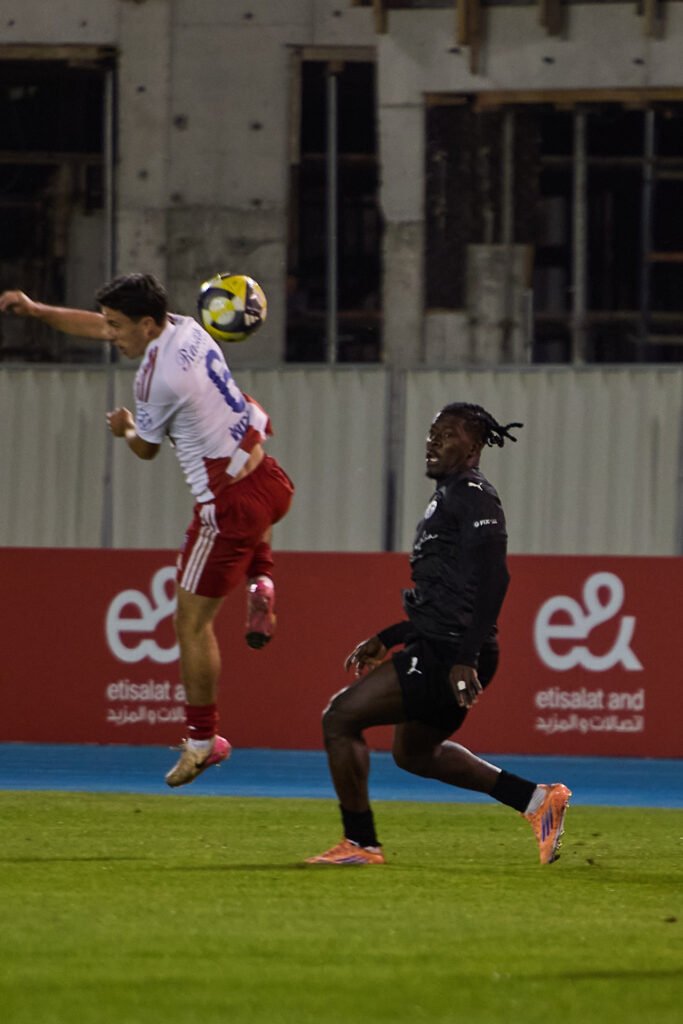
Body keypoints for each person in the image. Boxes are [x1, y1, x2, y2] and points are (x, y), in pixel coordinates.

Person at [0, 274, 294, 788]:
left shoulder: (156, 381)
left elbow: (147, 450)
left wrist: (126, 427)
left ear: (148, 324)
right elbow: (98, 326)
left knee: (190, 625)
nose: (111, 335)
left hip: (227, 509)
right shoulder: (190, 328)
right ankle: (261, 579)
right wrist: (38, 310)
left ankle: (203, 742)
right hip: (270, 479)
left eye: (118, 326)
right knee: (247, 525)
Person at [306, 402, 571, 867]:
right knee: (414, 754)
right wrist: (390, 635)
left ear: (472, 449)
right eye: (432, 433)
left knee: (339, 718)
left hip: (450, 652)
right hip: (444, 644)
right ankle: (535, 800)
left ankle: (361, 844)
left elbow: (495, 579)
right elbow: (450, 594)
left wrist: (466, 657)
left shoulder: (473, 493)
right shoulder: (448, 495)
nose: (433, 442)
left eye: (447, 435)